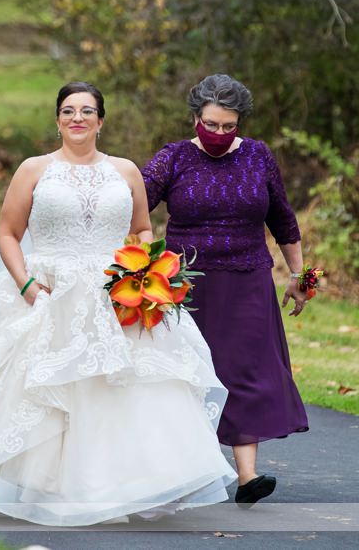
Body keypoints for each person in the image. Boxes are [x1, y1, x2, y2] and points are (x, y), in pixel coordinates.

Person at [0, 82, 236, 526]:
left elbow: (141, 228)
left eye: (86, 111)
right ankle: (42, 486)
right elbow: (7, 232)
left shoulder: (125, 171)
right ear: (57, 120)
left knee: (119, 388)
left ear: (101, 121)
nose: (77, 118)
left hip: (114, 293)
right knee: (45, 390)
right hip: (48, 291)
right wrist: (25, 285)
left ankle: (116, 485)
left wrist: (144, 274)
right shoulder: (34, 169)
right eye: (68, 111)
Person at [140, 73, 310, 506]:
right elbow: (133, 203)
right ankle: (186, 470)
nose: (218, 134)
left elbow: (283, 219)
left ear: (240, 123)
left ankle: (246, 476)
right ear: (195, 117)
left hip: (249, 279)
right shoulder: (173, 158)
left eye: (228, 126)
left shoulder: (258, 156)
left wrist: (300, 276)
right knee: (187, 373)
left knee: (245, 372)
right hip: (186, 285)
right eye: (210, 124)